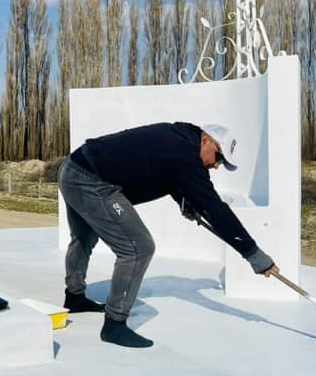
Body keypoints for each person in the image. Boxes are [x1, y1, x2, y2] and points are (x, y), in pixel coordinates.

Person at [59, 122, 279, 348]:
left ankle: (74, 297)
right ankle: (115, 324)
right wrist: (253, 254)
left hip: (73, 168)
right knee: (138, 248)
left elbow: (168, 175)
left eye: (221, 162)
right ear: (205, 140)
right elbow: (216, 210)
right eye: (218, 156)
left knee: (83, 237)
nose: (216, 165)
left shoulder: (180, 138)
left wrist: (186, 202)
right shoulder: (187, 157)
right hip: (91, 182)